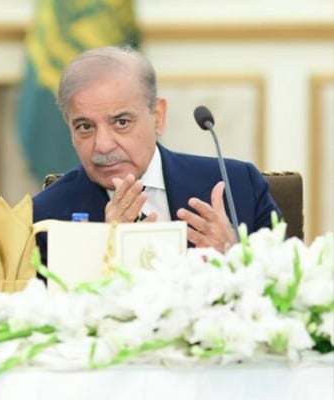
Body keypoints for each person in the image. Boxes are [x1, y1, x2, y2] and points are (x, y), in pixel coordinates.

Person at [33, 46, 281, 262]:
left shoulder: (238, 187)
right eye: (85, 127)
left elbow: (289, 293)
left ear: (158, 117)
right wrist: (103, 253)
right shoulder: (46, 217)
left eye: (121, 122)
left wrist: (233, 255)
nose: (103, 145)